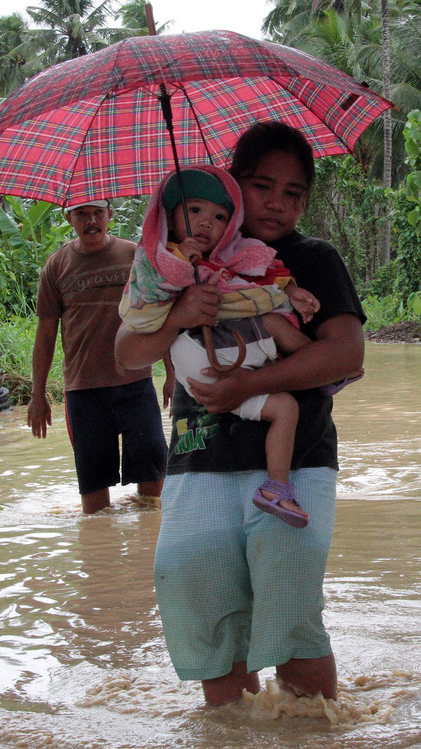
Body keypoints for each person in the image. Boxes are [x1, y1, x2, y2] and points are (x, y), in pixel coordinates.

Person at [115, 122, 365, 706]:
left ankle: (314, 736)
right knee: (204, 607)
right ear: (234, 182)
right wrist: (178, 314)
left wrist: (251, 383)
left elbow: (347, 353)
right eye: (261, 186)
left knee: (292, 617)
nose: (277, 203)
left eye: (294, 192)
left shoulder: (314, 260)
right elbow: (127, 355)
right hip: (200, 458)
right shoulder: (169, 261)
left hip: (295, 462)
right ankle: (233, 734)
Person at [119, 165, 321, 527]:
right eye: (194, 210)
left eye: (220, 216)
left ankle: (319, 374)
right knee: (285, 406)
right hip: (203, 368)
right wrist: (181, 273)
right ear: (169, 215)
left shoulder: (234, 254)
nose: (206, 222)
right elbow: (134, 333)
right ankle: (277, 487)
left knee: (278, 326)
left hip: (232, 351)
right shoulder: (158, 259)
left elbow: (263, 268)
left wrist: (291, 291)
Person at [28, 198, 167, 514]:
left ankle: (144, 553)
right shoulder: (56, 266)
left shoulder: (135, 256)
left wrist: (171, 373)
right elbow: (45, 335)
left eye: (97, 213)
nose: (91, 221)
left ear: (110, 215)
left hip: (137, 383)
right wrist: (38, 395)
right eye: (81, 214)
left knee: (153, 475)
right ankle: (98, 555)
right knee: (94, 499)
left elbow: (160, 316)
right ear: (69, 218)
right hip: (84, 390)